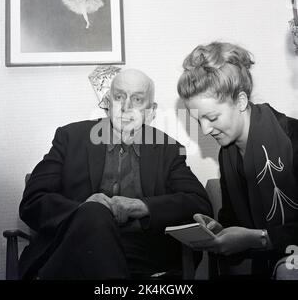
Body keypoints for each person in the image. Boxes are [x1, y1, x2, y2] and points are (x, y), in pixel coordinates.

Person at [19, 68, 212, 280]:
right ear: (108, 103)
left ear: (151, 111)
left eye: (137, 99)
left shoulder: (168, 149)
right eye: (119, 97)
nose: (126, 107)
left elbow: (199, 204)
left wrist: (143, 206)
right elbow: (32, 201)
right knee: (94, 212)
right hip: (73, 248)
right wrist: (83, 212)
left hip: (142, 258)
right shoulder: (70, 137)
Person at [177, 42, 298, 279]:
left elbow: (255, 234)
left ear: (241, 101)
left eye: (211, 117)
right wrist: (217, 231)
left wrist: (260, 238)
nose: (205, 129)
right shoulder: (229, 153)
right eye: (197, 120)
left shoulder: (293, 139)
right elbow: (233, 219)